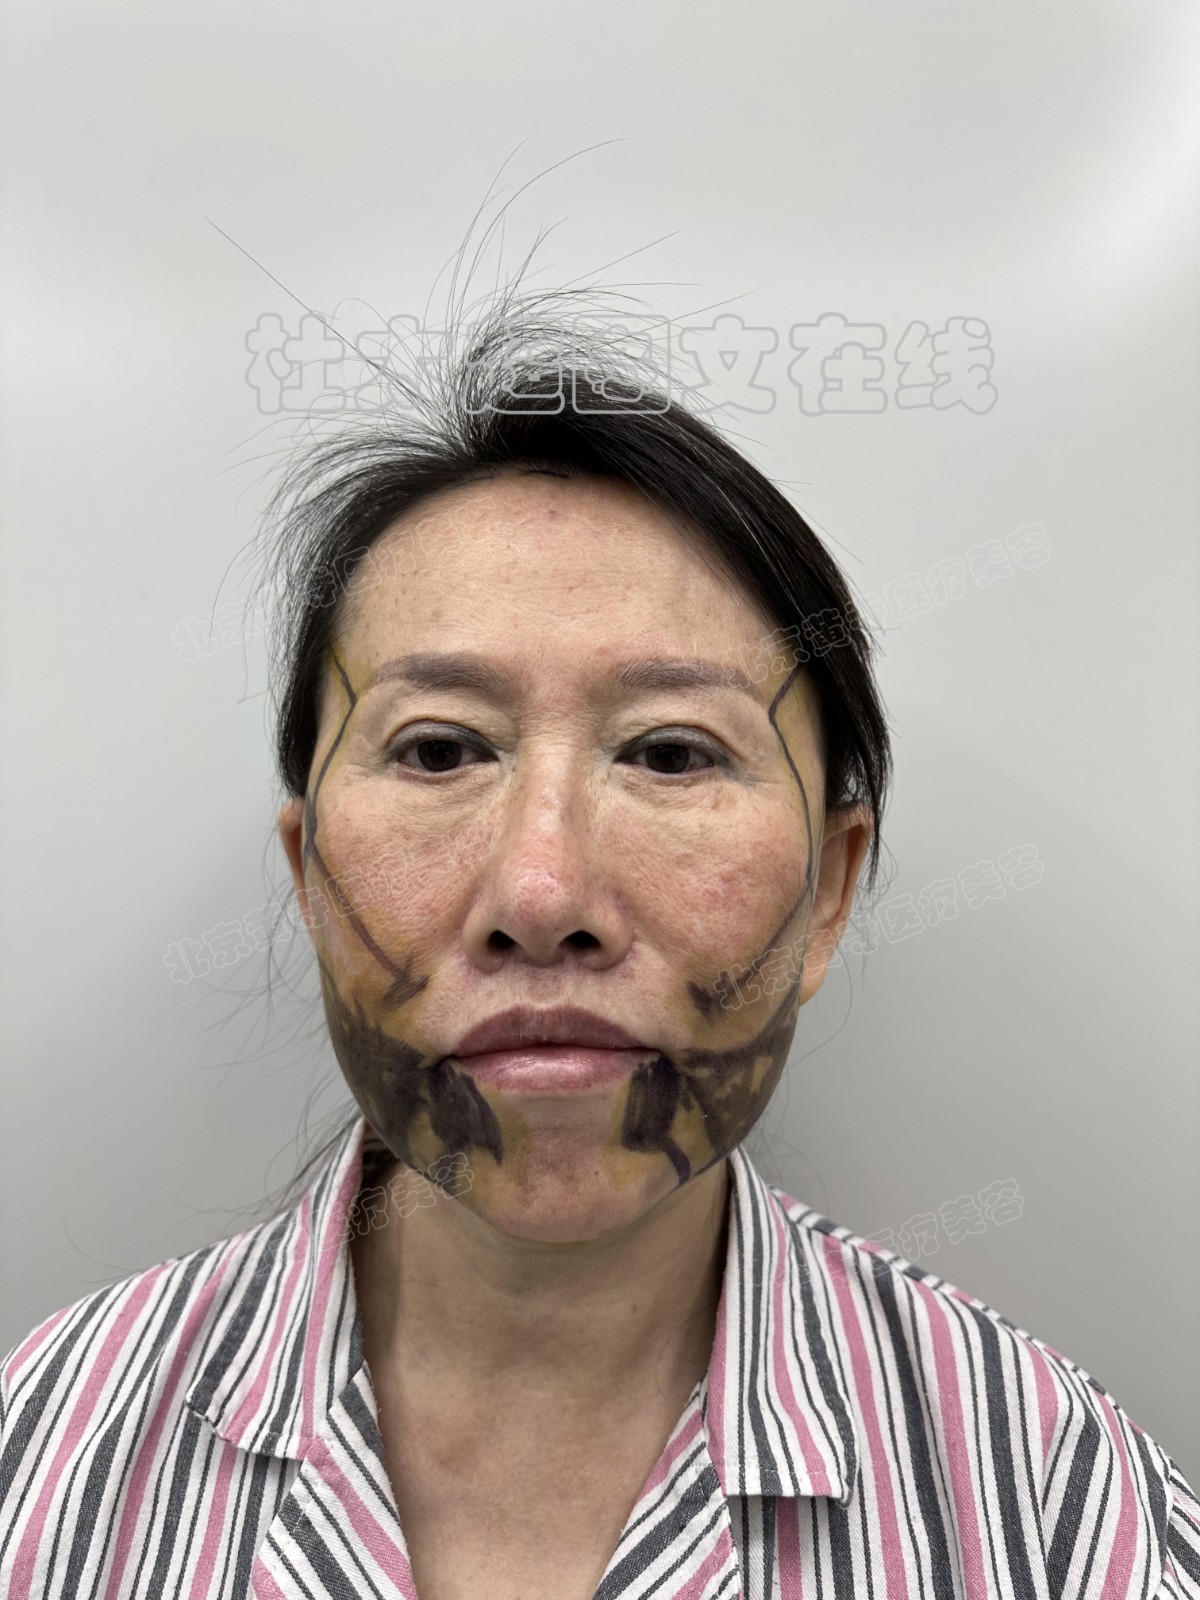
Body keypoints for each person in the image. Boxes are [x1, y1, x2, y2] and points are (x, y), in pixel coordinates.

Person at [1, 296, 1196, 1600]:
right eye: (438, 749)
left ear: (831, 895)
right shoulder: (46, 1455)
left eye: (673, 753)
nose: (542, 892)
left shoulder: (1059, 1504)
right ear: (308, 878)